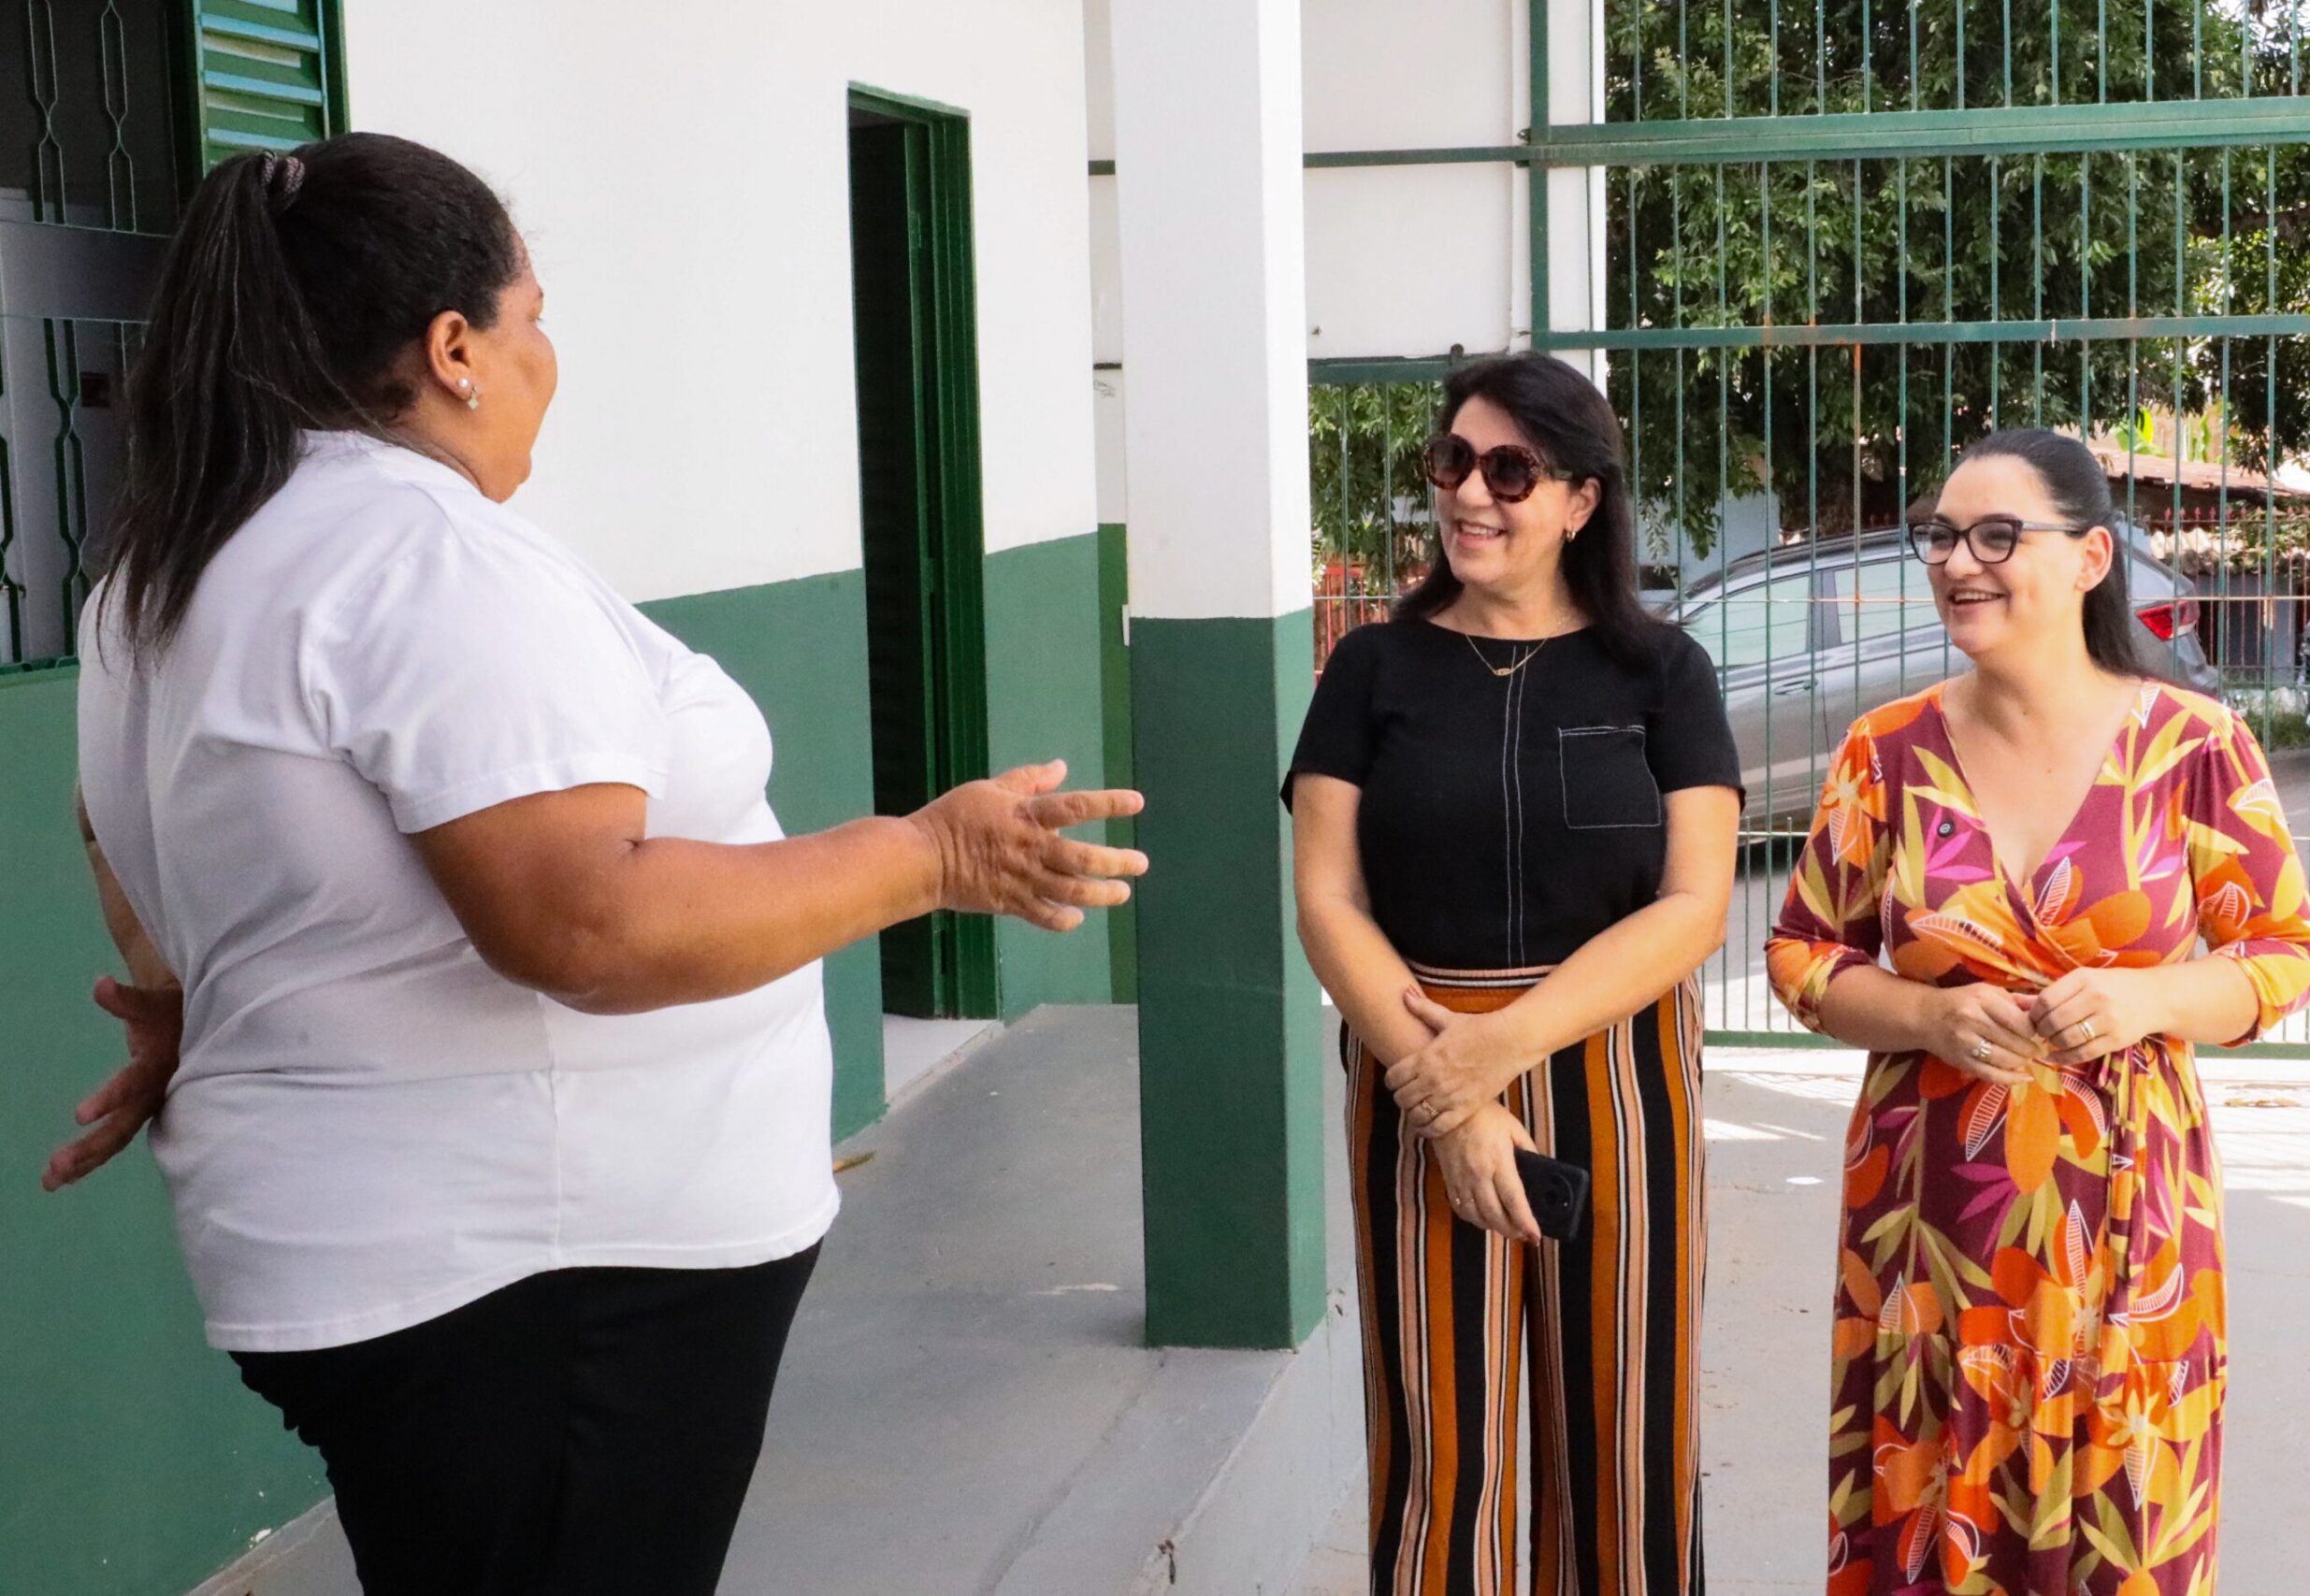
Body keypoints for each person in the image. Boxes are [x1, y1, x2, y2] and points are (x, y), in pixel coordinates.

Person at [47, 133, 1146, 1596]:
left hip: (410, 1262)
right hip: (541, 1283)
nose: (544, 356)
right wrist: (928, 854)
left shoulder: (170, 564)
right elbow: (589, 923)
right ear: (454, 348)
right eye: (532, 318)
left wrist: (193, 994)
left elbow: (114, 826)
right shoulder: (417, 556)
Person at [1765, 430, 2310, 1595]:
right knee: (1933, 1512)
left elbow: (2281, 954)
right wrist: (1922, 1017)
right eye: (1940, 537)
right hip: (1929, 1231)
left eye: (1994, 536)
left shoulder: (2191, 747)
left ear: (2089, 560)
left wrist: (2148, 996)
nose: (1955, 562)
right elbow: (1802, 956)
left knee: (2118, 1520)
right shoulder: (1887, 754)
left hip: (2131, 1219)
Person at [1287, 352, 1742, 1596]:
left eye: (1509, 468)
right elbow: (1326, 892)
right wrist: (1449, 1079)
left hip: (1619, 1070)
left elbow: (1697, 901)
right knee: (1441, 1441)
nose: (1469, 494)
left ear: (1582, 497)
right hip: (1412, 1053)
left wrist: (1502, 1046)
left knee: (1628, 1424)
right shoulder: (1372, 668)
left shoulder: (1661, 672)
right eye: (1452, 462)